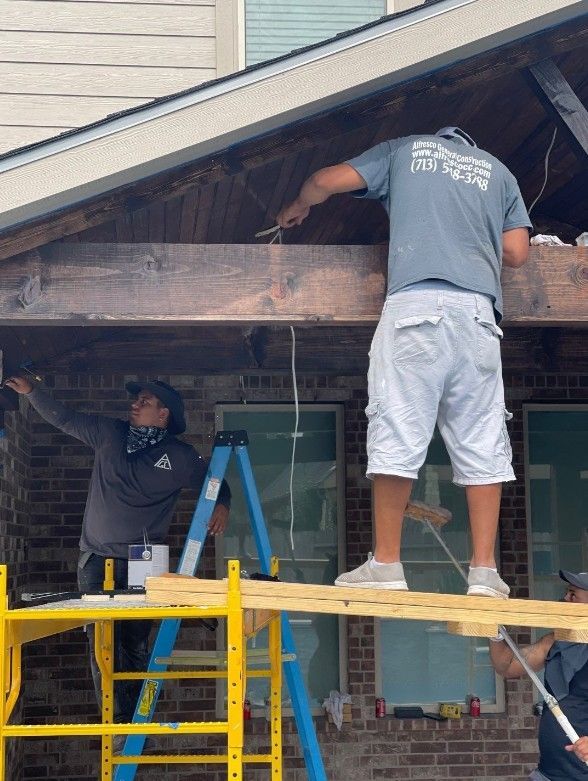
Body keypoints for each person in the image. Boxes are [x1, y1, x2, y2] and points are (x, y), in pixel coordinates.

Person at [277, 127, 531, 597]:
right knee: (483, 440)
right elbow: (516, 253)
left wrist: (301, 203)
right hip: (478, 318)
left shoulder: (406, 151)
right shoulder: (500, 173)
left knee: (398, 429)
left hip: (417, 308)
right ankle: (485, 573)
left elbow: (325, 179)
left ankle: (388, 566)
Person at [5, 375, 230, 726]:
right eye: (136, 400)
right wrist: (33, 391)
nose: (134, 405)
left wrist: (223, 504)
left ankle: (137, 717)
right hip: (96, 558)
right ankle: (116, 721)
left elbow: (216, 482)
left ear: (163, 415)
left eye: (145, 401)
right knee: (102, 645)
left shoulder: (180, 456)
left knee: (136, 643)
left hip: (144, 561)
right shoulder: (109, 433)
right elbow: (64, 418)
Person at [489, 570, 588, 780]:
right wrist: (494, 632)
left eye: (573, 596)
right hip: (547, 773)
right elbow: (506, 667)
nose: (563, 600)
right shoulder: (555, 642)